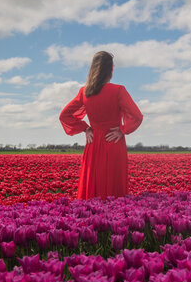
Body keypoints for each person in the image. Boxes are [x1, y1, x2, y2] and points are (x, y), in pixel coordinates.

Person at [59, 51, 143, 199]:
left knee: (93, 183)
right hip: (114, 142)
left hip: (93, 143)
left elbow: (64, 115)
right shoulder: (118, 90)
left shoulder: (84, 92)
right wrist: (122, 130)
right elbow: (137, 116)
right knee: (113, 186)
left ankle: (91, 217)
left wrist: (86, 128)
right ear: (110, 70)